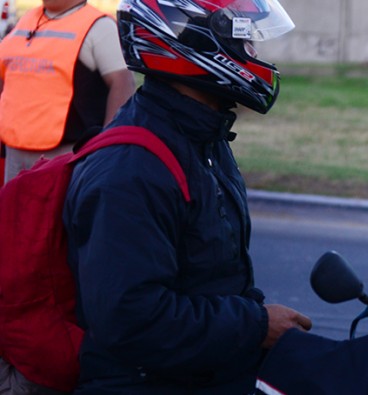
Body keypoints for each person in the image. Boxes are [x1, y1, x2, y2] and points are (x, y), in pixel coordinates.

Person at [56, 0, 312, 392]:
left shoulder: (203, 139)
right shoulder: (131, 169)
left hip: (205, 373)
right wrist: (256, 325)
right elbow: (131, 320)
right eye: (242, 42)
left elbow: (215, 279)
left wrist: (259, 321)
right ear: (189, 40)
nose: (254, 56)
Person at [0, 0, 136, 184]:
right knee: (12, 211)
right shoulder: (28, 19)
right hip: (13, 151)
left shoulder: (100, 26)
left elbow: (123, 83)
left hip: (65, 156)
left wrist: (106, 146)